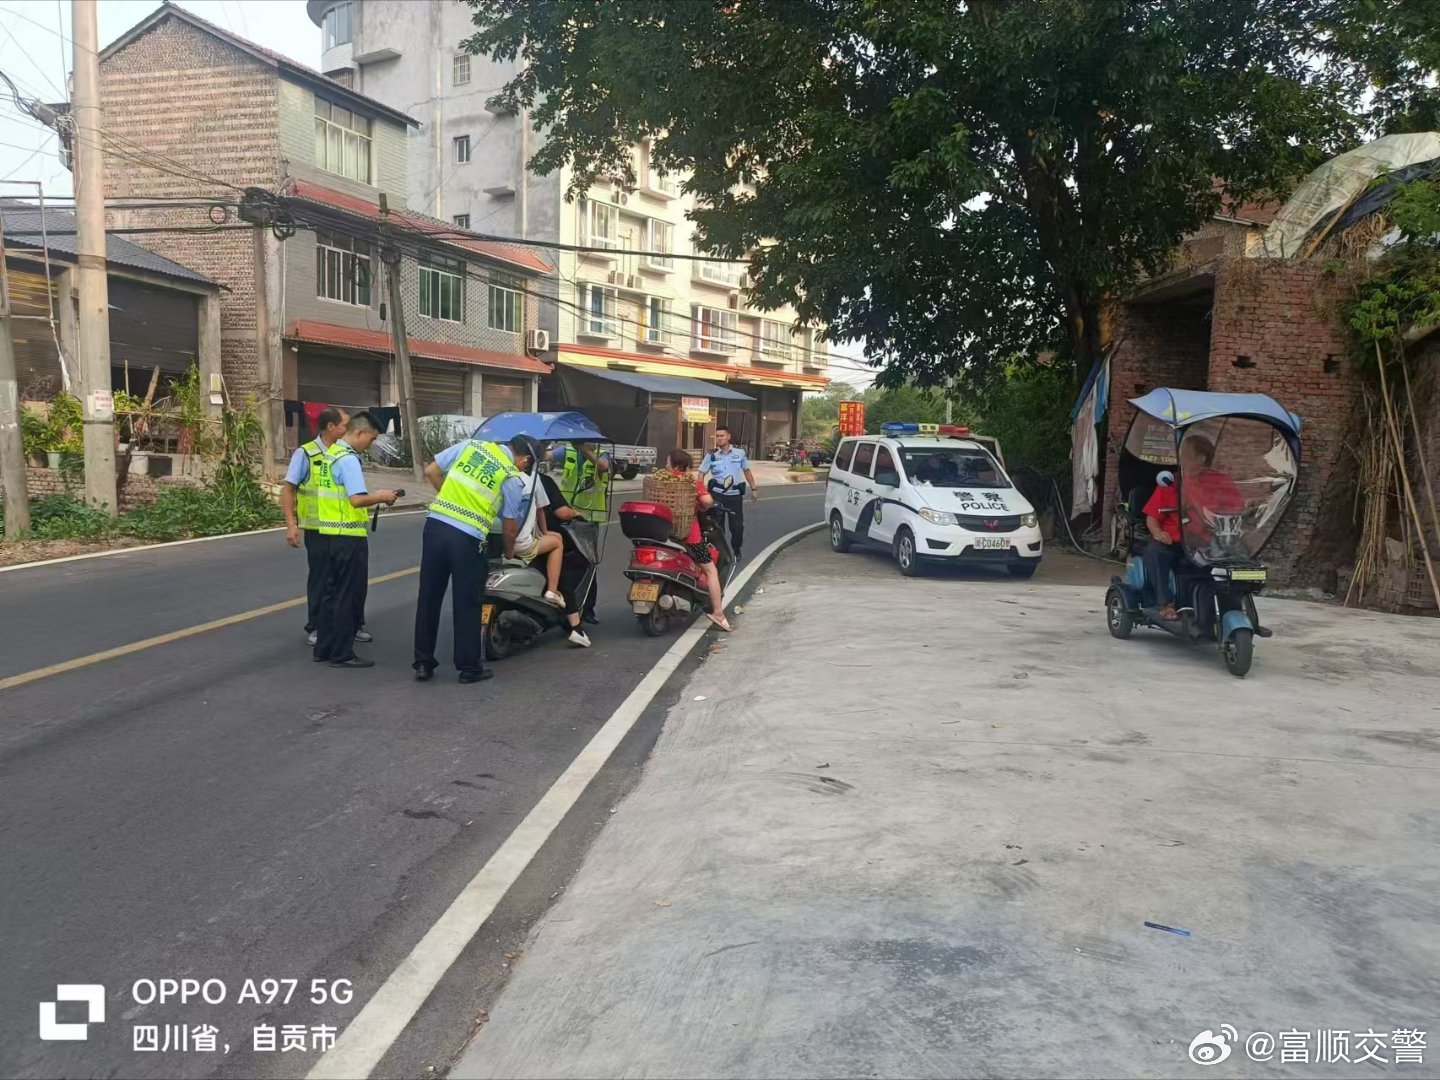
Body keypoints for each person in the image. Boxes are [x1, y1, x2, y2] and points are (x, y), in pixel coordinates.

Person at [414, 434, 536, 683]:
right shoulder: (510, 477)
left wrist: (450, 501)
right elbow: (510, 527)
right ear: (524, 458)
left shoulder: (471, 446)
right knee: (467, 602)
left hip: (435, 527)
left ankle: (423, 663)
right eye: (527, 465)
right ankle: (469, 668)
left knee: (429, 596)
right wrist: (509, 554)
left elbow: (431, 471)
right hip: (467, 539)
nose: (524, 469)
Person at [280, 407, 374, 647]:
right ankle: (318, 626)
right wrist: (291, 525)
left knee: (353, 579)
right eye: (344, 425)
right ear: (331, 427)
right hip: (318, 528)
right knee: (323, 580)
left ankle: (353, 623)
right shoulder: (307, 453)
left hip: (344, 528)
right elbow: (289, 489)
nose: (348, 429)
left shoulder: (344, 453)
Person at [310, 412, 397, 668]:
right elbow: (356, 499)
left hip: (327, 533)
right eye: (371, 439)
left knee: (330, 595)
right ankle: (342, 653)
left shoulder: (330, 453)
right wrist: (382, 496)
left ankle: (324, 649)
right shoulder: (348, 459)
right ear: (359, 433)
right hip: (347, 536)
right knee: (348, 596)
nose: (369, 446)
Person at [665, 449, 732, 632]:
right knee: (711, 571)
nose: (665, 465)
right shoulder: (692, 483)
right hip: (689, 537)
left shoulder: (660, 482)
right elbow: (708, 502)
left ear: (675, 465)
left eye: (667, 461)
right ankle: (718, 612)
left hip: (662, 534)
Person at [534, 467, 595, 647]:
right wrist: (575, 513)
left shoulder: (505, 479)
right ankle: (576, 627)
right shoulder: (539, 481)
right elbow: (560, 513)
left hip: (502, 539)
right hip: (528, 540)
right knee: (562, 570)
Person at [552, 441, 609, 623]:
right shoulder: (568, 450)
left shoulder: (602, 453)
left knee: (588, 564)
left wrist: (585, 450)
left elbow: (603, 466)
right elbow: (548, 456)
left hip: (588, 520)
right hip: (566, 516)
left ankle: (588, 609)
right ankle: (564, 604)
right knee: (565, 561)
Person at [699, 426, 757, 562]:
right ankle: (721, 553)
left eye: (722, 436)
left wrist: (754, 489)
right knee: (717, 527)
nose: (719, 438)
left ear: (728, 437)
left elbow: (747, 471)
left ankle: (736, 550)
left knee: (736, 527)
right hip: (717, 495)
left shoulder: (740, 453)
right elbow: (701, 473)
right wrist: (700, 491)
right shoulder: (711, 454)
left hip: (735, 496)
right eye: (717, 436)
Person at [1141, 470, 1184, 621]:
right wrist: (1157, 531)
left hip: (1200, 541)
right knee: (1156, 553)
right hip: (1171, 540)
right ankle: (1165, 603)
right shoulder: (1170, 484)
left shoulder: (1213, 483)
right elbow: (1152, 518)